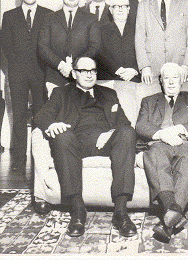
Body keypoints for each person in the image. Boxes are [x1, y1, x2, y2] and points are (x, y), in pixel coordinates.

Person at [34, 56, 137, 238]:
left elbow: (124, 123)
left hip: (105, 143)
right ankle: (77, 210)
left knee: (127, 133)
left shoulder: (109, 93)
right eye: (84, 71)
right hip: (75, 143)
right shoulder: (61, 93)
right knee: (62, 136)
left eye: (93, 71)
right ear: (74, 73)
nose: (89, 75)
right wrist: (52, 125)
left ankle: (120, 212)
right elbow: (41, 116)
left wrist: (110, 132)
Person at [135, 62, 188, 243]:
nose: (170, 82)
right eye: (166, 78)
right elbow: (141, 126)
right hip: (160, 142)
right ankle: (173, 211)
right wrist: (162, 134)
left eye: (174, 77)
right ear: (160, 81)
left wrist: (179, 130)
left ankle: (168, 218)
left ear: (181, 80)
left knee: (187, 159)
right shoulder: (149, 101)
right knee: (154, 153)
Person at [1, 0, 52, 172]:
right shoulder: (9, 16)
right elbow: (5, 44)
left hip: (41, 71)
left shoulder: (48, 14)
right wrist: (17, 63)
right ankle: (19, 159)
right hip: (18, 73)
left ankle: (39, 155)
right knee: (19, 114)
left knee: (40, 114)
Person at [38, 0, 101, 94]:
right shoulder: (49, 18)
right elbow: (43, 47)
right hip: (55, 75)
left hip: (81, 76)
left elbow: (95, 46)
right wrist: (61, 65)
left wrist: (75, 66)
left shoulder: (90, 18)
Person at [96, 0, 140, 82]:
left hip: (134, 78)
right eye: (116, 6)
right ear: (111, 10)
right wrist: (117, 69)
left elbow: (146, 51)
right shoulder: (101, 30)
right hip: (109, 78)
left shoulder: (138, 29)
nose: (120, 9)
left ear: (128, 9)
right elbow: (99, 53)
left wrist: (134, 70)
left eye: (124, 6)